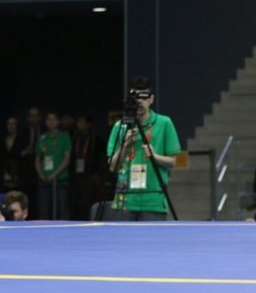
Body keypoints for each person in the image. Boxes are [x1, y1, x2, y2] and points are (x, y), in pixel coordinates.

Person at [105, 76, 181, 221]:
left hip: (153, 202)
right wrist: (125, 145)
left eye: (143, 96)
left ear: (151, 99)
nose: (139, 101)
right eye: (135, 97)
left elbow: (173, 162)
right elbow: (112, 167)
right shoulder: (120, 126)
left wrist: (155, 156)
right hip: (124, 201)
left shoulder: (164, 123)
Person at [35, 111, 71, 219]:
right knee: (43, 211)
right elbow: (37, 159)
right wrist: (41, 174)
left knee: (62, 211)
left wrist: (55, 174)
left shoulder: (64, 137)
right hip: (44, 180)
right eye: (48, 119)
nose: (51, 122)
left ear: (58, 121)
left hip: (60, 180)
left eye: (54, 119)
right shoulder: (42, 138)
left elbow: (67, 159)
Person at [70, 114, 102, 220]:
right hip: (75, 175)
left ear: (88, 125)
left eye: (82, 122)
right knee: (75, 201)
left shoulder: (95, 138)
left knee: (86, 201)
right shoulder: (74, 137)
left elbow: (99, 157)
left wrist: (96, 173)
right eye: (78, 122)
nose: (79, 124)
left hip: (89, 175)